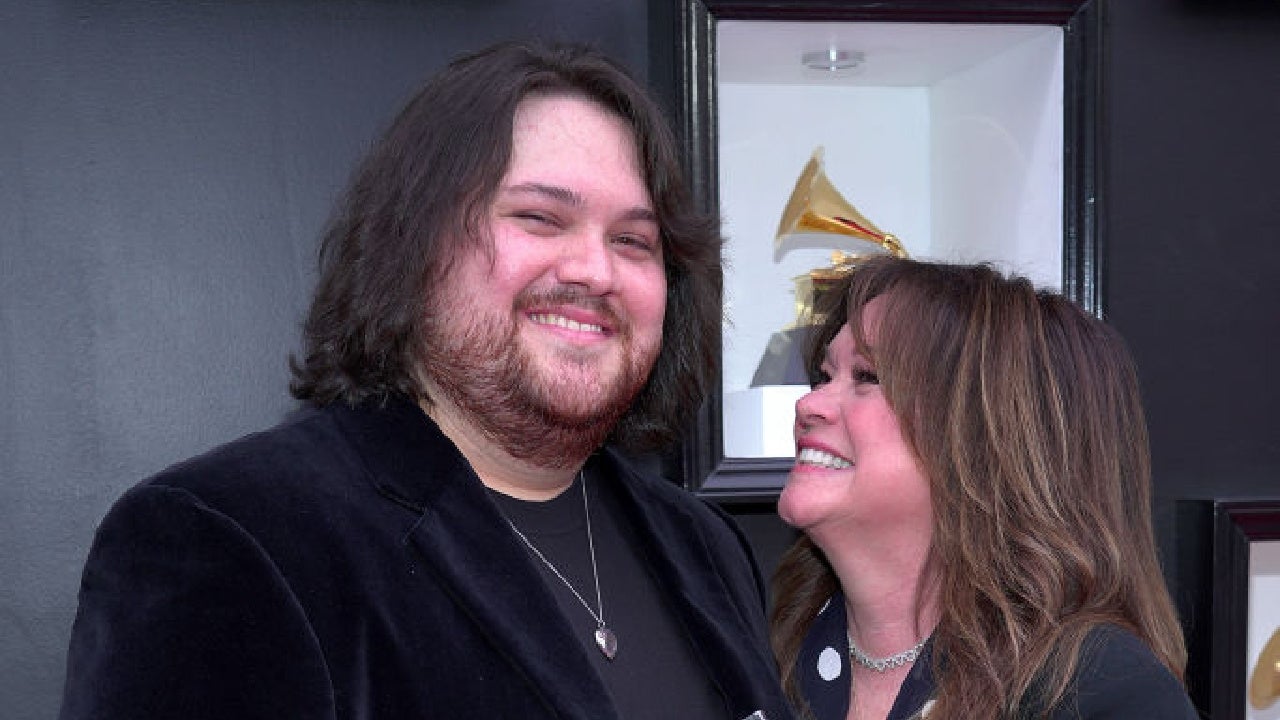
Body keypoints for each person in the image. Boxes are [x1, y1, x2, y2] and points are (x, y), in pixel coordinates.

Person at [58, 40, 792, 720]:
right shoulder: (229, 536)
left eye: (632, 240)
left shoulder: (705, 547)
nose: (595, 270)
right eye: (539, 218)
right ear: (414, 246)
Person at [770, 256, 1198, 720]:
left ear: (989, 439)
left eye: (866, 377)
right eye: (825, 375)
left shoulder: (1104, 693)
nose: (809, 404)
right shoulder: (766, 652)